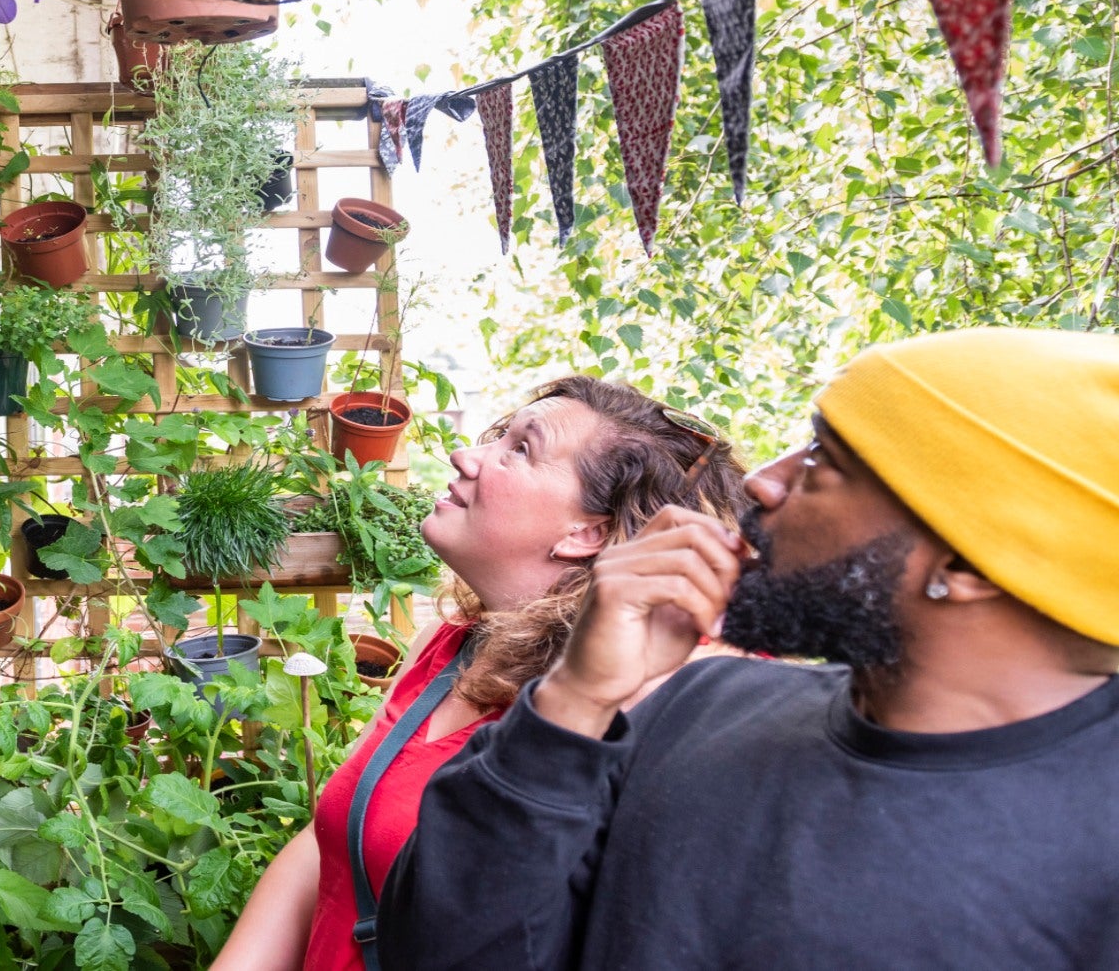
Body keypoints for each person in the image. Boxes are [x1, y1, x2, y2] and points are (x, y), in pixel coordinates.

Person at [389, 327, 1119, 970]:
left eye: (829, 464)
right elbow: (444, 950)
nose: (763, 483)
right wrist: (569, 703)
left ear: (971, 564)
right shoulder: (683, 713)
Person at [208, 377, 747, 971]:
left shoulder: (657, 703)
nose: (465, 456)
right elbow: (327, 843)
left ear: (587, 531)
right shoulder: (451, 648)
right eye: (500, 437)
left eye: (521, 448)